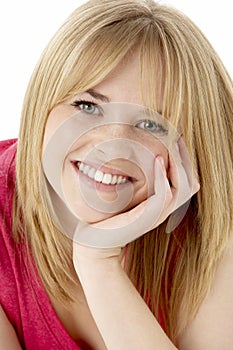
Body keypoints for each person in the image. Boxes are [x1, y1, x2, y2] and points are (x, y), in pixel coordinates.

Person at [0, 0, 232, 349]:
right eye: (87, 106)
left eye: (151, 123)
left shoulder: (216, 230)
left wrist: (99, 263)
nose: (113, 145)